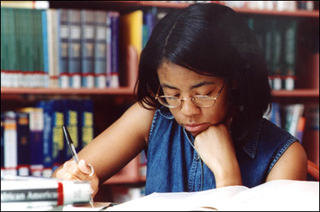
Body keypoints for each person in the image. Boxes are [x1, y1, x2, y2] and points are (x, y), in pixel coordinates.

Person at [52, 3, 307, 198]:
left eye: (203, 93)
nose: (187, 111)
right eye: (172, 94)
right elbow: (62, 182)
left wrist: (226, 171)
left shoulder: (284, 156)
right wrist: (71, 180)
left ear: (236, 79)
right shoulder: (151, 117)